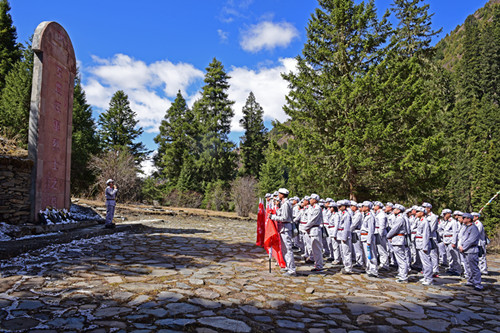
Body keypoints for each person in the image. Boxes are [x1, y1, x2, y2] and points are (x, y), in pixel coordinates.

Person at [269, 188, 297, 276]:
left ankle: (292, 270)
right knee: (284, 249)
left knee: (288, 249)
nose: (278, 195)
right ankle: (287, 267)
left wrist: (273, 217)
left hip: (286, 228)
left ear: (282, 195)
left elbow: (284, 218)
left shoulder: (286, 204)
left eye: (279, 194)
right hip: (283, 228)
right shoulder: (284, 203)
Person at [459, 213, 483, 291]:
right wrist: (460, 246)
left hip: (471, 250)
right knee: (468, 267)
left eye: (464, 218)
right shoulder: (466, 227)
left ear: (469, 219)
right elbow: (462, 238)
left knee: (474, 267)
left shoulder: (473, 228)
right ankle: (470, 281)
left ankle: (477, 283)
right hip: (465, 250)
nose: (462, 219)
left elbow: (471, 240)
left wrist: (463, 247)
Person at [386, 204, 409, 283]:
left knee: (401, 259)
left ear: (399, 210)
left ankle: (404, 277)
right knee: (400, 259)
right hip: (397, 239)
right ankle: (401, 274)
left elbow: (394, 229)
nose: (393, 210)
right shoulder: (399, 217)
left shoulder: (400, 218)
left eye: (395, 209)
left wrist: (388, 235)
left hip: (398, 239)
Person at [304, 193, 324, 271]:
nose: (310, 200)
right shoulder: (311, 208)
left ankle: (319, 266)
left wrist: (305, 227)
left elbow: (313, 220)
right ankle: (317, 264)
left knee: (317, 249)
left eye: (311, 199)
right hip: (311, 230)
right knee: (314, 249)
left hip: (315, 229)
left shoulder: (317, 208)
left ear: (315, 200)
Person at [415, 206, 433, 285]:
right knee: (423, 262)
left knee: (426, 262)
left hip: (423, 243)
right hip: (419, 242)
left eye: (418, 211)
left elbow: (426, 234)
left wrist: (425, 246)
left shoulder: (425, 221)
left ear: (422, 213)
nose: (416, 213)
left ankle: (429, 278)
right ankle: (426, 276)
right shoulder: (420, 221)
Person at [360, 201, 378, 277]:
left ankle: (374, 270)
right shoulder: (365, 215)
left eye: (363, 206)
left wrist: (369, 241)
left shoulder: (370, 216)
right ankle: (369, 268)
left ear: (367, 207)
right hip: (364, 237)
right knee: (367, 255)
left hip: (368, 237)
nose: (362, 208)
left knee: (371, 254)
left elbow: (371, 229)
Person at [337, 200, 353, 274]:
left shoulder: (347, 214)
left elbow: (346, 227)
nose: (339, 207)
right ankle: (345, 265)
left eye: (340, 206)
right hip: (341, 234)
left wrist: (344, 237)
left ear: (344, 206)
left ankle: (348, 268)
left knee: (346, 252)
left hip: (345, 235)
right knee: (343, 252)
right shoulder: (342, 213)